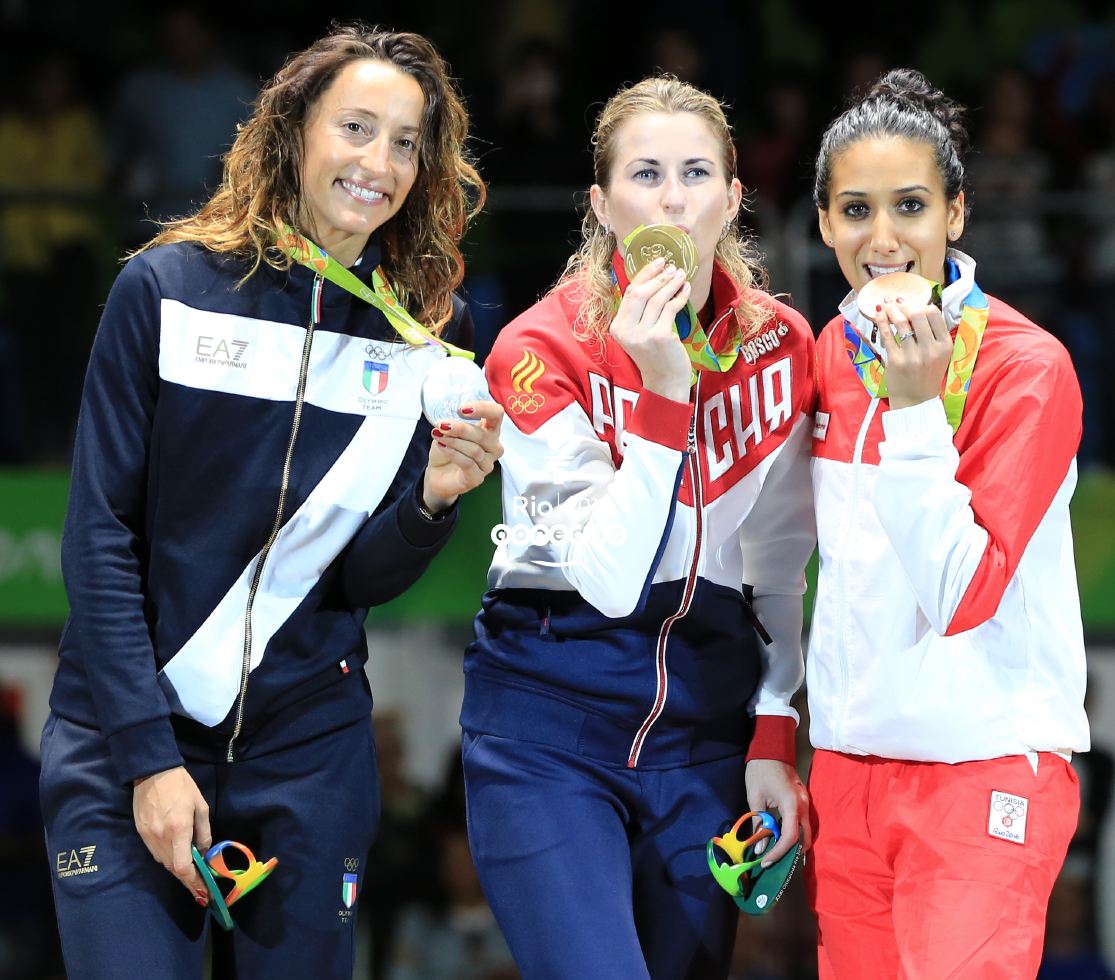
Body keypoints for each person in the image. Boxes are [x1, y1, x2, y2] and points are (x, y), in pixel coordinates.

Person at [38, 23, 503, 980]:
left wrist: (431, 501)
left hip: (306, 751)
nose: (379, 162)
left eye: (406, 142)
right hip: (129, 737)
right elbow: (97, 537)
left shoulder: (420, 340)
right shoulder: (164, 289)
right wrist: (148, 759)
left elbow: (357, 581)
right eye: (356, 127)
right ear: (293, 131)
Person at [460, 76, 816, 979]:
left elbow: (775, 563)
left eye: (695, 172)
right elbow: (609, 581)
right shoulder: (541, 351)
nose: (670, 196)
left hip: (701, 742)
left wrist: (773, 728)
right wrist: (664, 394)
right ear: (602, 203)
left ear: (733, 197)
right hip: (548, 730)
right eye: (645, 173)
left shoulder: (783, 348)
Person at [807, 68, 1090, 978]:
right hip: (847, 773)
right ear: (822, 224)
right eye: (855, 209)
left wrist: (914, 410)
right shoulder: (832, 350)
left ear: (955, 216)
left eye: (910, 207)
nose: (881, 238)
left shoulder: (1025, 366)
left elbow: (960, 593)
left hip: (982, 770)